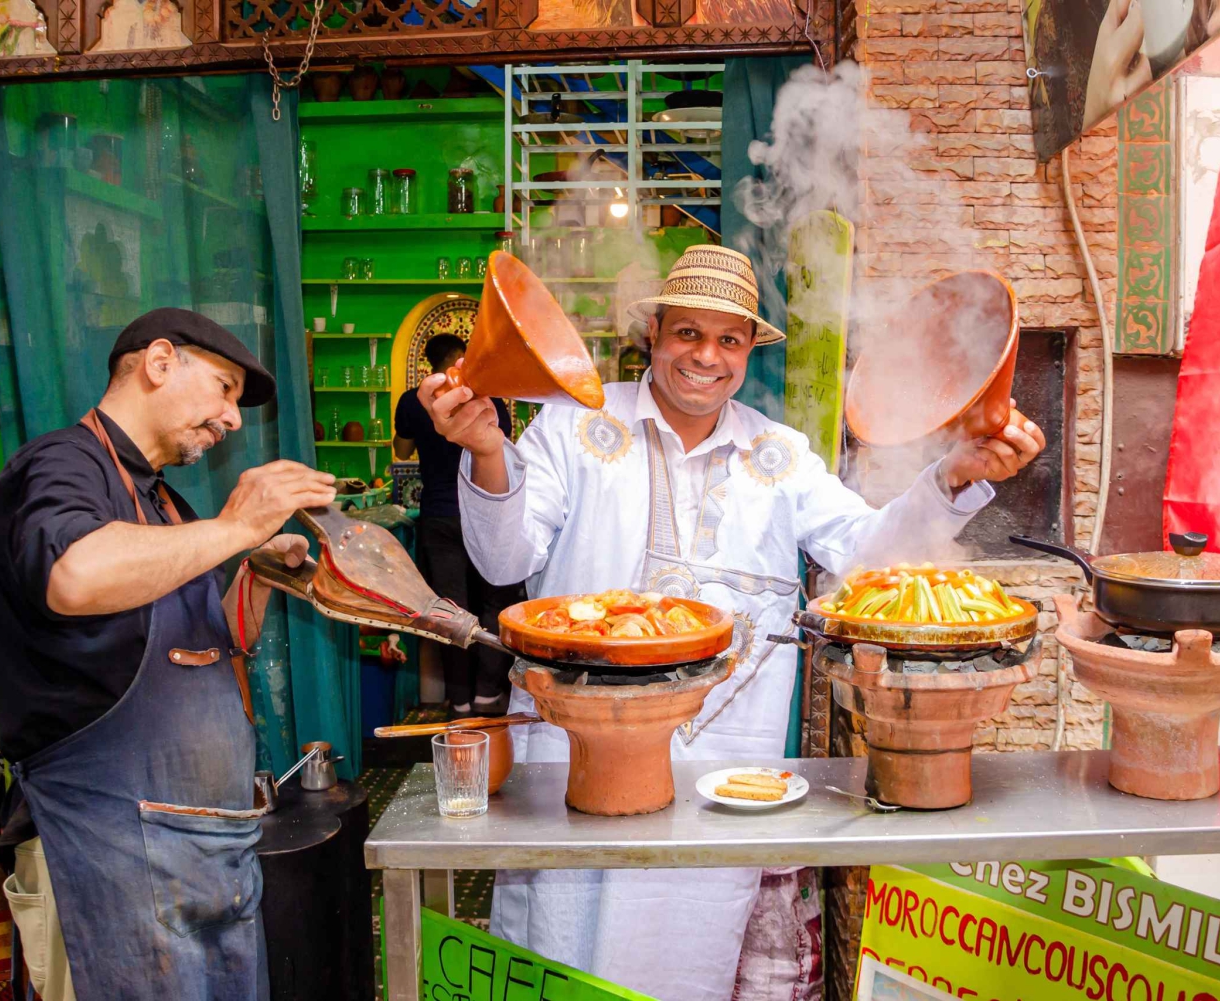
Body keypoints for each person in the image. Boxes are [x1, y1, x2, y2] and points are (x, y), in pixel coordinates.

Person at [418, 246, 1047, 1000]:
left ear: (749, 351)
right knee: (564, 948)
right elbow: (503, 555)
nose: (705, 356)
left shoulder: (777, 453)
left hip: (720, 775)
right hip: (577, 763)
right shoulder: (575, 425)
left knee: (690, 965)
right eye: (688, 332)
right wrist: (487, 448)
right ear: (653, 333)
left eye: (729, 339)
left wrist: (952, 476)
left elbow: (866, 557)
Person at [0, 307, 337, 1000]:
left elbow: (213, 646)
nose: (233, 419)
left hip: (207, 862)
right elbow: (75, 574)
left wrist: (254, 570)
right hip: (110, 856)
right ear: (159, 361)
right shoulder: (62, 462)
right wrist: (235, 525)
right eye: (226, 388)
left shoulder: (167, 503)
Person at [394, 333, 522, 717]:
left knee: (453, 614)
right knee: (493, 605)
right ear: (460, 361)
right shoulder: (487, 399)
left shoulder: (410, 402)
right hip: (484, 516)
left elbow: (400, 452)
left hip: (438, 515)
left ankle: (460, 701)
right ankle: (487, 694)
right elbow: (507, 454)